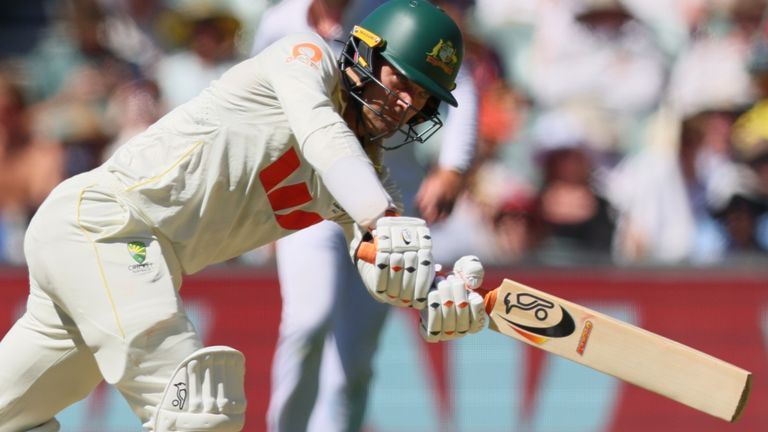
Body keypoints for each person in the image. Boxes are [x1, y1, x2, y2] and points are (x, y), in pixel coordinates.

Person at [0, 1, 488, 431]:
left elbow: (382, 263)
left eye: (422, 97)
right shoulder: (304, 57)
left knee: (11, 416)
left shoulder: (366, 178)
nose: (406, 105)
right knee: (199, 409)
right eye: (402, 81)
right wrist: (383, 220)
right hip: (107, 225)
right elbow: (323, 137)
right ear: (366, 54)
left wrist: (434, 294)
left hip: (113, 252)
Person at [251, 0, 480, 430]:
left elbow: (459, 84)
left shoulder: (395, 15)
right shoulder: (279, 22)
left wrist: (453, 167)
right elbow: (261, 103)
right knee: (307, 323)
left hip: (390, 199)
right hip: (309, 192)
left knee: (352, 360)